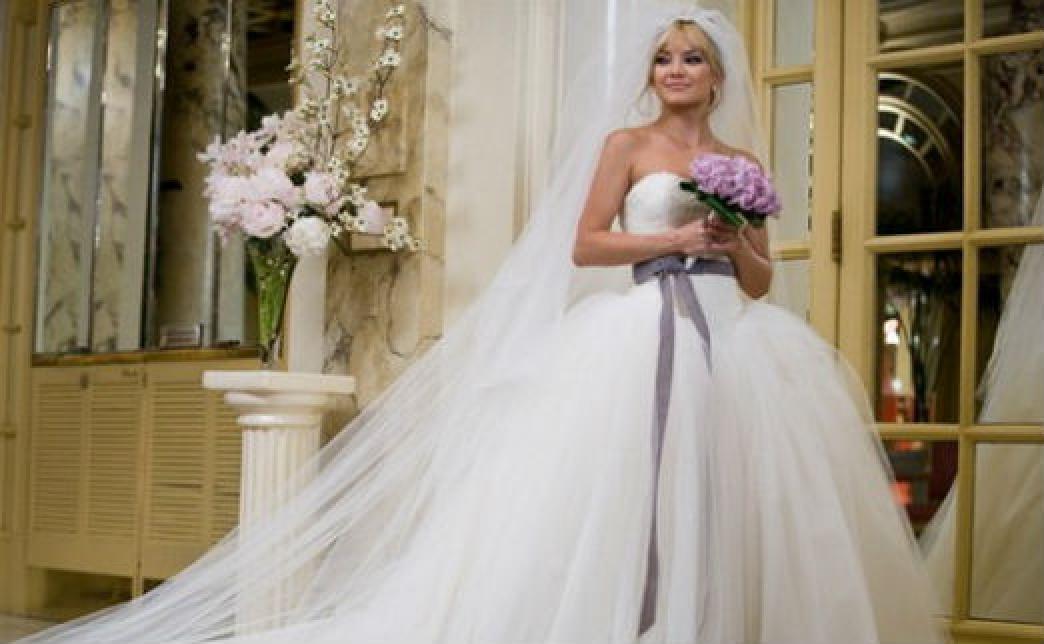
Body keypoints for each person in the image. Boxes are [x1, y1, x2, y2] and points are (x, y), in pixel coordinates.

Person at [19, 3, 952, 643]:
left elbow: (760, 280)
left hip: (732, 342)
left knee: (733, 488)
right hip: (642, 335)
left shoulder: (742, 161)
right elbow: (586, 244)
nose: (676, 70)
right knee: (630, 485)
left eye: (692, 58)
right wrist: (671, 242)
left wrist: (732, 239)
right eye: (664, 58)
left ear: (716, 76)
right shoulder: (625, 146)